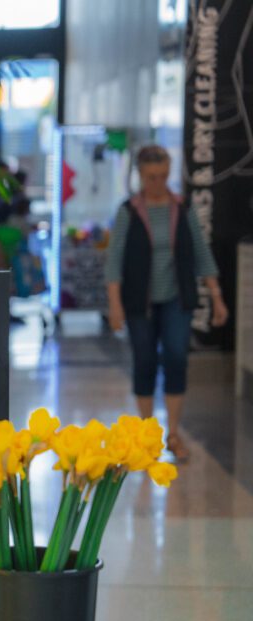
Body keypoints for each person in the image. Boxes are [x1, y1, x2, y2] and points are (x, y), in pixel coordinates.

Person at [104, 144, 228, 460]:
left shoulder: (181, 208)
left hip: (176, 298)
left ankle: (173, 434)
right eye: (151, 177)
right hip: (139, 302)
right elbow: (114, 260)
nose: (158, 183)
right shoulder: (128, 211)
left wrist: (216, 296)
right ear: (141, 176)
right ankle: (147, 438)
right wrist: (114, 305)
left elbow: (200, 252)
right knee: (144, 362)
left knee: (176, 358)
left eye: (163, 176)